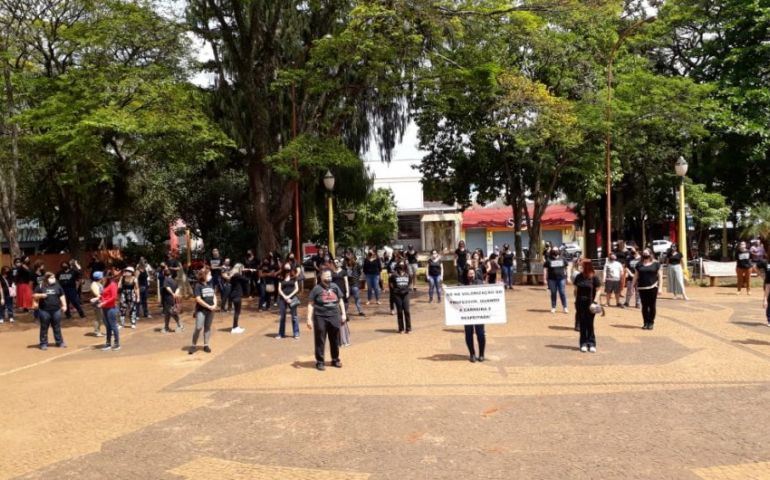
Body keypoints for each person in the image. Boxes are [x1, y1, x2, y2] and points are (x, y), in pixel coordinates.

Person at [306, 268, 346, 371]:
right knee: (320, 340)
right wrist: (309, 319)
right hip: (320, 317)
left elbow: (340, 300)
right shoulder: (316, 289)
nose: (329, 277)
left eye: (330, 275)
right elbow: (310, 304)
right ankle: (320, 362)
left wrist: (343, 314)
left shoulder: (335, 286)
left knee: (334, 339)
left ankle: (335, 359)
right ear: (321, 276)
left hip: (334, 316)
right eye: (327, 275)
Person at [32, 272, 67, 350]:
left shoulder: (57, 286)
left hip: (56, 310)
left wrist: (64, 305)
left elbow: (62, 295)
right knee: (44, 327)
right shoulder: (41, 286)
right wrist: (41, 295)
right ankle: (43, 343)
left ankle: (59, 342)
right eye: (51, 277)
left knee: (57, 327)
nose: (53, 279)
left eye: (54, 277)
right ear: (46, 278)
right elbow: (34, 295)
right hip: (44, 311)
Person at [574, 259, 601, 353]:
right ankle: (583, 343)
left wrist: (595, 302)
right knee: (582, 323)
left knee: (590, 323)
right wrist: (576, 301)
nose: (580, 267)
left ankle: (592, 343)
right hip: (580, 303)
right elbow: (575, 290)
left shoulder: (594, 277)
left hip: (591, 304)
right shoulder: (578, 276)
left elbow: (598, 291)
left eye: (582, 265)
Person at [633, 248, 663, 330]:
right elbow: (636, 275)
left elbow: (660, 276)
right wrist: (633, 285)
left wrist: (660, 288)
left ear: (650, 254)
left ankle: (651, 322)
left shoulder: (656, 264)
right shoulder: (639, 264)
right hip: (642, 287)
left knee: (652, 305)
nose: (645, 254)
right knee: (644, 306)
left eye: (646, 253)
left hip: (652, 287)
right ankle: (645, 322)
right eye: (644, 253)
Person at [189, 268, 216, 354]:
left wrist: (214, 305)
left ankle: (206, 345)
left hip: (211, 310)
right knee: (198, 327)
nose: (210, 276)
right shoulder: (198, 285)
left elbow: (214, 295)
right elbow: (198, 299)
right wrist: (208, 306)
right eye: (209, 274)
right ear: (204, 275)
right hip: (201, 310)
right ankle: (193, 345)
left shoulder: (210, 284)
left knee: (207, 327)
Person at [463, 268, 486, 362]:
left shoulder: (480, 283)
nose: (471, 275)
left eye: (473, 273)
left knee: (480, 333)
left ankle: (481, 354)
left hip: (478, 313)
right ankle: (472, 354)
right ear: (466, 274)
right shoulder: (462, 284)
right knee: (468, 334)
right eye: (469, 273)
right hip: (467, 313)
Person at [98, 269, 121, 350]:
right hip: (105, 308)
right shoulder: (105, 284)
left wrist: (104, 303)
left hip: (111, 308)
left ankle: (117, 343)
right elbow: (104, 295)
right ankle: (108, 343)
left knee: (113, 326)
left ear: (108, 277)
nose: (102, 278)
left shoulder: (113, 284)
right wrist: (98, 298)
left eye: (104, 276)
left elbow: (114, 297)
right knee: (108, 326)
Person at [277, 262, 300, 339]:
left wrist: (289, 297)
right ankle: (281, 333)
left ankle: (296, 333)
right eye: (286, 268)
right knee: (282, 317)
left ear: (291, 268)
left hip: (292, 298)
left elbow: (297, 289)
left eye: (288, 268)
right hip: (282, 299)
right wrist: (285, 297)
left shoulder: (294, 277)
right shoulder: (281, 277)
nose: (287, 270)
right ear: (283, 268)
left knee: (294, 317)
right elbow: (279, 289)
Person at [332, 259, 351, 345]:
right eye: (334, 262)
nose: (336, 263)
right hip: (334, 295)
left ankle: (345, 338)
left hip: (343, 294)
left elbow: (346, 282)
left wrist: (347, 291)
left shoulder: (343, 272)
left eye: (337, 262)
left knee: (343, 315)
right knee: (337, 315)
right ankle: (340, 338)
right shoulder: (332, 273)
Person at [544, 248, 569, 314]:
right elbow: (545, 269)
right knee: (553, 293)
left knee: (562, 292)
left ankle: (565, 307)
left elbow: (567, 267)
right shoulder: (549, 259)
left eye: (556, 250)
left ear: (558, 251)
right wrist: (544, 279)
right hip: (552, 279)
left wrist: (568, 277)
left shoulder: (562, 258)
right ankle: (553, 307)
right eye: (554, 250)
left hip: (561, 279)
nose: (555, 252)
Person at [225, 263, 248, 334]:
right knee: (237, 312)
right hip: (237, 295)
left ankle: (236, 326)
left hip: (234, 294)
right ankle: (234, 328)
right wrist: (243, 272)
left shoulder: (233, 275)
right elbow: (246, 280)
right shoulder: (237, 275)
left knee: (237, 312)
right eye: (242, 268)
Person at [390, 262, 412, 333]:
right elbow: (391, 283)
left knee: (407, 311)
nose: (401, 268)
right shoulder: (394, 275)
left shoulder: (408, 274)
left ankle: (408, 328)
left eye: (403, 266)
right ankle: (401, 328)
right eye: (400, 266)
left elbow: (410, 283)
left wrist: (406, 289)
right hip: (397, 295)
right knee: (399, 311)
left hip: (406, 294)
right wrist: (395, 290)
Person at [160, 267, 183, 333]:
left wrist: (173, 293)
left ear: (164, 274)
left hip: (168, 299)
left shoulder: (166, 280)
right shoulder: (173, 280)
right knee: (167, 314)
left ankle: (180, 325)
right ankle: (166, 327)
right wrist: (175, 294)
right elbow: (178, 288)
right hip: (171, 299)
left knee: (172, 312)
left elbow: (167, 287)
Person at [89, 271, 105, 337]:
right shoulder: (94, 285)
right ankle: (97, 331)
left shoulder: (98, 283)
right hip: (97, 303)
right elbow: (98, 295)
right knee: (98, 318)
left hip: (101, 302)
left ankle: (99, 331)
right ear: (100, 277)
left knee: (102, 317)